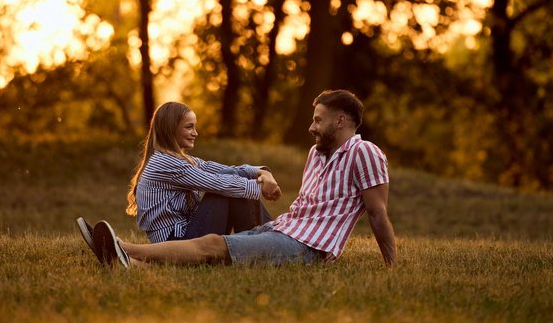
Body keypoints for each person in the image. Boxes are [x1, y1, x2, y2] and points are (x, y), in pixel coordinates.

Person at [89, 89, 397, 268]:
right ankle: (133, 264)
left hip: (308, 247)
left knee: (211, 245)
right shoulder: (317, 154)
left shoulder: (365, 152)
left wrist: (391, 267)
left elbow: (377, 212)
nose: (311, 127)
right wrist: (262, 180)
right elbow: (223, 177)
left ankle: (123, 249)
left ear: (341, 121)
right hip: (285, 231)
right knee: (220, 239)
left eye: (318, 120)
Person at [76, 102, 281, 253]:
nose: (196, 133)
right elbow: (216, 182)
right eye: (189, 127)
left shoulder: (179, 159)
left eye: (195, 127)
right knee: (225, 190)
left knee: (230, 183)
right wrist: (258, 186)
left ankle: (267, 241)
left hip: (186, 234)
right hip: (177, 241)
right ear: (170, 129)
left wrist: (262, 172)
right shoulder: (165, 163)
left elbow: (219, 169)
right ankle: (270, 243)